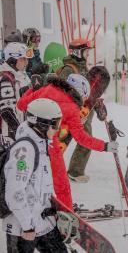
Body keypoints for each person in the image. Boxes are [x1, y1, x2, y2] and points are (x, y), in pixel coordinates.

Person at [17, 73, 118, 207]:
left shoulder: (47, 89)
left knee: (26, 178)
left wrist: (33, 89)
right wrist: (104, 146)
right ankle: (66, 210)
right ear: (79, 92)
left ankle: (26, 205)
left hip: (26, 139)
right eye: (84, 97)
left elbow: (21, 105)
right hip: (49, 145)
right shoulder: (72, 108)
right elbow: (81, 138)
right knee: (61, 184)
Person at [3, 98, 67, 253]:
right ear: (41, 124)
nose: (57, 129)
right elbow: (14, 192)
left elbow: (39, 184)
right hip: (22, 228)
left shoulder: (40, 143)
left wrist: (53, 211)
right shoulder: (24, 150)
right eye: (55, 124)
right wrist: (27, 226)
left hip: (42, 221)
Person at [58, 39, 108, 183]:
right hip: (73, 113)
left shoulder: (83, 67)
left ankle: (75, 171)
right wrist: (74, 108)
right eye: (86, 51)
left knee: (82, 140)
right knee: (64, 141)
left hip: (84, 114)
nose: (87, 54)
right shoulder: (69, 69)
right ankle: (65, 170)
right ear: (77, 52)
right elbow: (62, 90)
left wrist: (97, 103)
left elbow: (88, 91)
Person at [0, 42, 32, 146]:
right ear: (12, 60)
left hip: (20, 130)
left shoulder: (20, 75)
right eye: (23, 59)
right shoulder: (6, 78)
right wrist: (19, 131)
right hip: (9, 134)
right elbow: (6, 111)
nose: (26, 63)